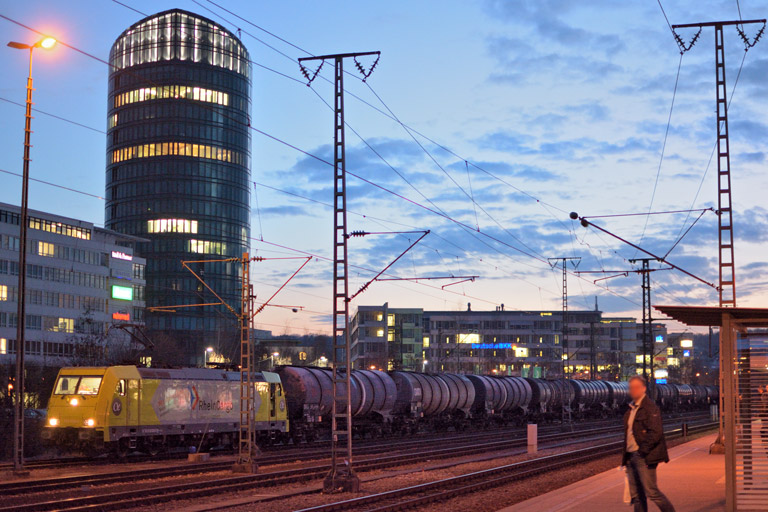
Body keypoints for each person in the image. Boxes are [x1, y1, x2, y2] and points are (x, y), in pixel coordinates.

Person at [622, 375, 676, 512]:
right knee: (637, 497)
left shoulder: (650, 408)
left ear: (643, 389)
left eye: (636, 387)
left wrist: (642, 452)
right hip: (631, 457)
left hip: (643, 457)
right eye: (631, 388)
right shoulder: (631, 408)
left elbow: (656, 433)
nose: (633, 390)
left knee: (652, 492)